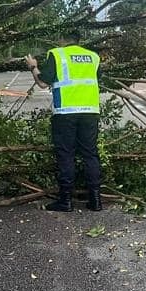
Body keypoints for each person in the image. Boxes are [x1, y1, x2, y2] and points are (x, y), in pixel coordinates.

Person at [24, 31, 103, 212]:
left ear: (62, 39)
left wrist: (33, 67)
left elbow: (43, 83)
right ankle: (96, 200)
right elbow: (97, 80)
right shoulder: (93, 57)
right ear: (78, 40)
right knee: (90, 154)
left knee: (66, 154)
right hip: (90, 112)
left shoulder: (57, 54)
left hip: (65, 112)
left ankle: (65, 200)